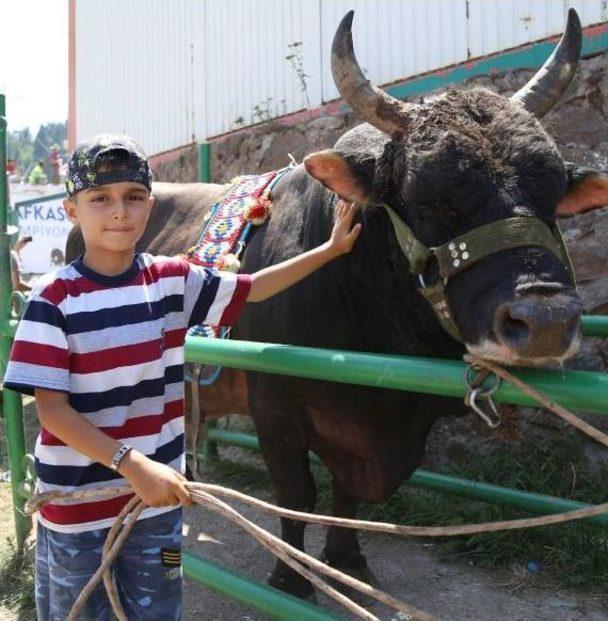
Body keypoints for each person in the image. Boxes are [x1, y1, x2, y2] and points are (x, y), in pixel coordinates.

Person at [3, 134, 361, 620]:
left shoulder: (172, 279)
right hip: (80, 507)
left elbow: (253, 289)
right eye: (100, 199)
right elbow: (52, 410)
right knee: (82, 611)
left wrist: (330, 251)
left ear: (149, 206)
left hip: (157, 502)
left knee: (158, 607)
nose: (119, 212)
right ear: (71, 210)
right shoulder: (52, 301)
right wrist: (132, 465)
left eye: (133, 197)